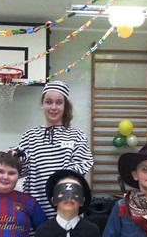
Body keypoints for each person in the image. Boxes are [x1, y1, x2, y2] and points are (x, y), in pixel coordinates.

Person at [11, 80, 93, 219]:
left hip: (67, 209)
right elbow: (22, 171)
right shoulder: (30, 136)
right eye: (49, 102)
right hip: (36, 210)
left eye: (59, 102)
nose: (53, 107)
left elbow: (83, 164)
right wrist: (15, 159)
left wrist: (58, 180)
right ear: (42, 105)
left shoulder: (77, 135)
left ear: (65, 105)